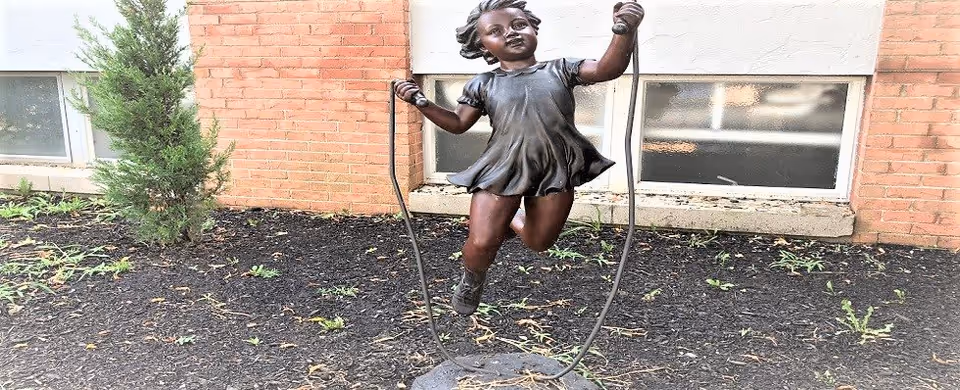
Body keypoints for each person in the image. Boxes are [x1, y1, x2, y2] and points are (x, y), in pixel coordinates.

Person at [394, 0, 644, 316]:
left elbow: (607, 68)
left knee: (539, 242)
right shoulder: (484, 83)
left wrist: (625, 31)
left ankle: (510, 219)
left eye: (518, 25)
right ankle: (473, 278)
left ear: (533, 28)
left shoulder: (562, 69)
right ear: (482, 44)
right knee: (483, 241)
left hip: (555, 168)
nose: (511, 33)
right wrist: (421, 102)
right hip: (502, 168)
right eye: (495, 31)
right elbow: (458, 124)